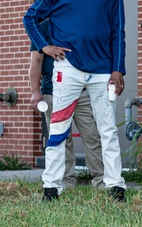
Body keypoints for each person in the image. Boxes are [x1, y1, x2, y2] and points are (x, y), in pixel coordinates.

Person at [23, 0, 126, 202]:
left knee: (107, 129)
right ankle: (52, 186)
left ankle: (115, 185)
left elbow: (118, 30)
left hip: (103, 70)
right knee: (58, 127)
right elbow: (30, 17)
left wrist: (118, 70)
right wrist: (45, 46)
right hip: (67, 68)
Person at [28, 40, 104, 190]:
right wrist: (35, 91)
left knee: (92, 134)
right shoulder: (42, 27)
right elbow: (36, 60)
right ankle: (67, 180)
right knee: (61, 139)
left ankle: (101, 179)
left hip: (81, 91)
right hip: (53, 92)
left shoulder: (76, 22)